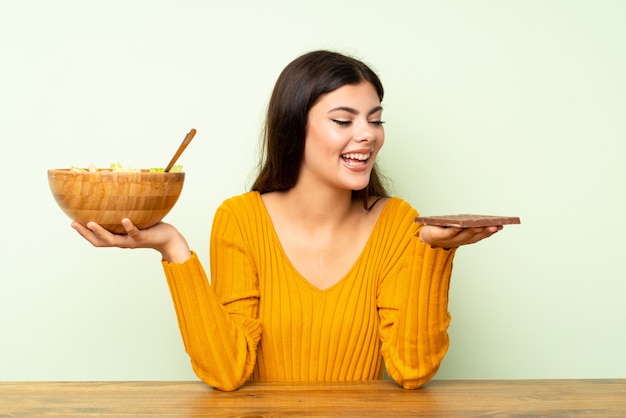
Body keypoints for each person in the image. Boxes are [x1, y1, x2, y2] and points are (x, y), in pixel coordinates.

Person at [72, 50, 502, 392]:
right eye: (342, 120)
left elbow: (412, 369)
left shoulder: (399, 223)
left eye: (375, 119)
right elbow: (226, 372)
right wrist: (172, 248)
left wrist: (435, 251)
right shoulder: (240, 219)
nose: (368, 134)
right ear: (295, 127)